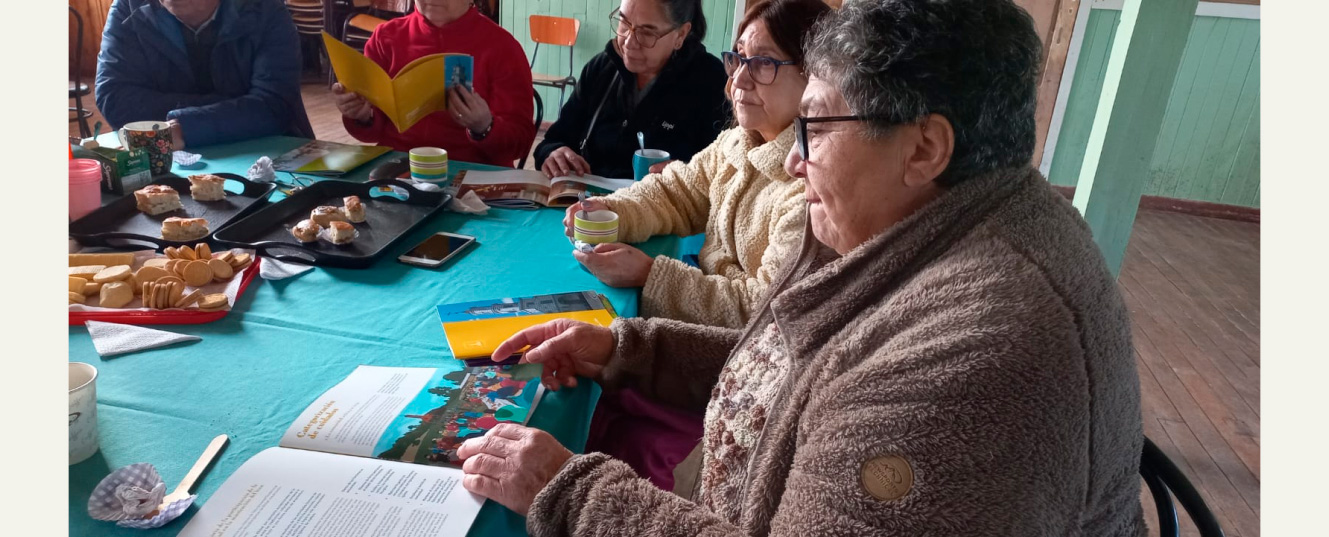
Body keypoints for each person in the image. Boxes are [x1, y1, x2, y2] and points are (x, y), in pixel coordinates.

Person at [454, 1, 1148, 535]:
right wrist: (628, 346)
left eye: (814, 127)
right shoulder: (949, 227)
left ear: (923, 148)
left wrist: (567, 486)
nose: (793, 158)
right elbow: (799, 369)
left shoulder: (967, 360)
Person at [564, 0, 830, 329]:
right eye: (739, 58)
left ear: (816, 77)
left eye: (763, 63)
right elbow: (680, 191)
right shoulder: (738, 141)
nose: (738, 81)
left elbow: (767, 311)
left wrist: (650, 275)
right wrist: (613, 209)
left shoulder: (813, 184)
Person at [534, 0, 728, 179]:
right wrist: (553, 153)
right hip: (587, 208)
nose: (628, 42)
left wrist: (689, 173)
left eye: (647, 33)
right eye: (624, 23)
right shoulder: (602, 68)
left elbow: (721, 172)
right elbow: (555, 139)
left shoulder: (711, 82)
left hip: (663, 211)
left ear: (681, 34)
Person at [333, 0, 535, 166]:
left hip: (474, 171)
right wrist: (361, 116)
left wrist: (485, 126)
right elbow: (370, 133)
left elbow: (520, 143)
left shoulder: (503, 47)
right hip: (398, 166)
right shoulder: (385, 38)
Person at [96, 0, 314, 149]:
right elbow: (114, 99)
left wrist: (185, 128)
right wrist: (232, 108)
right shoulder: (129, 6)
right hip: (169, 162)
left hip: (271, 156)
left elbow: (274, 107)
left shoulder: (264, 8)